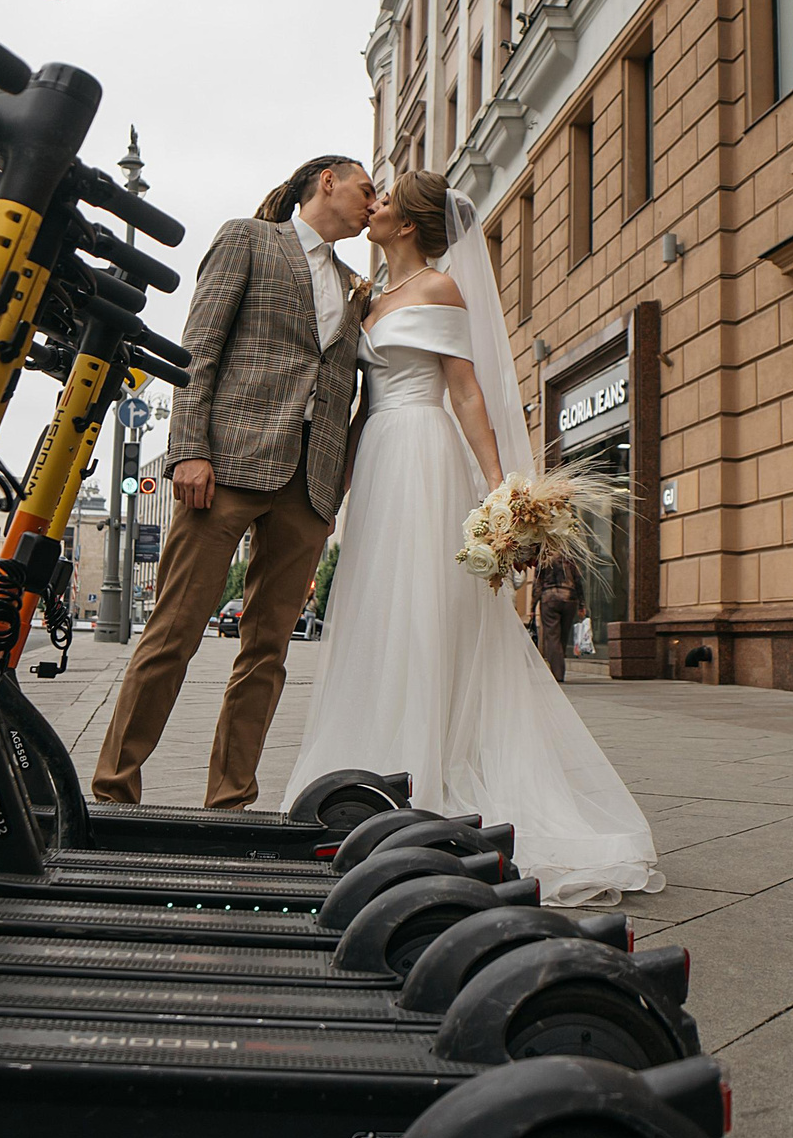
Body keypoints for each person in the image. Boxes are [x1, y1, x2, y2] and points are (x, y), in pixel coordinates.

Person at [278, 171, 662, 905]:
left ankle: (423, 773)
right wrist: (335, 499)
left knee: (425, 614)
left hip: (425, 455)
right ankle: (365, 770)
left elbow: (465, 389)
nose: (374, 205)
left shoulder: (439, 290)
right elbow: (360, 410)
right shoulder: (372, 298)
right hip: (383, 456)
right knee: (378, 617)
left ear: (411, 224)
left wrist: (500, 489)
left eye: (385, 200)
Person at [91, 155, 372, 809]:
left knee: (267, 652)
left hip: (309, 488)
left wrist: (336, 491)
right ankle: (112, 790)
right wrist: (187, 449)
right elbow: (199, 349)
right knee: (173, 633)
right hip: (225, 468)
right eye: (366, 186)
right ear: (326, 180)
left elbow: (347, 389)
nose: (373, 201)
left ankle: (231, 799)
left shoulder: (358, 283)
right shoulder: (249, 237)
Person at [531, 552, 581, 684]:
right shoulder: (569, 558)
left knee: (553, 637)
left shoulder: (544, 558)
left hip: (550, 598)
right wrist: (582, 604)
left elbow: (537, 584)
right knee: (563, 636)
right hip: (569, 598)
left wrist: (532, 606)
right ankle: (559, 667)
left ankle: (558, 673)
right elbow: (578, 580)